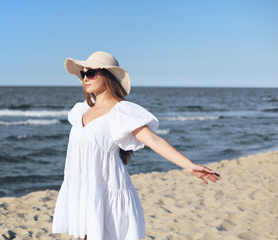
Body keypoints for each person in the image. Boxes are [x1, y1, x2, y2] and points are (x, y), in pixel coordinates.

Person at [52, 51, 220, 240]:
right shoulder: (80, 110)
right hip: (82, 187)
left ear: (108, 76)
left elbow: (154, 140)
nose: (85, 79)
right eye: (83, 74)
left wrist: (189, 166)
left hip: (107, 188)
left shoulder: (121, 111)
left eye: (90, 73)